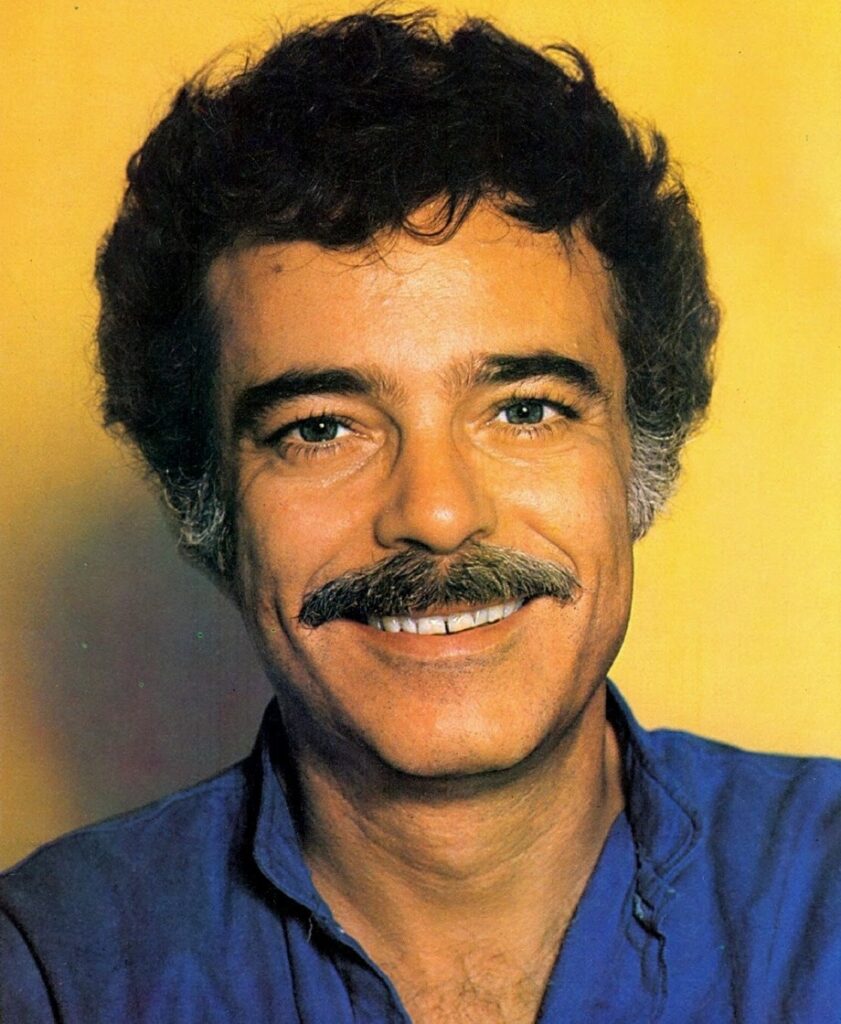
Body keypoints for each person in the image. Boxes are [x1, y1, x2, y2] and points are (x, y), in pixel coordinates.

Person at [1, 10, 838, 1023]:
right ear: (205, 499)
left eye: (524, 410)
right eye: (321, 428)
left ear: (640, 453)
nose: (436, 514)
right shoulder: (54, 970)